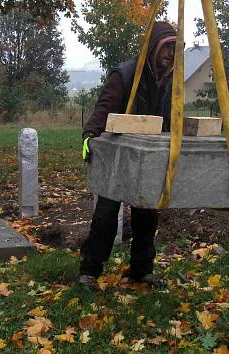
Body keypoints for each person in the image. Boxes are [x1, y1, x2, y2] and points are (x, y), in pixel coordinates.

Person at [79, 21, 177, 289]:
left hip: (147, 154)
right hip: (118, 154)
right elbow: (104, 109)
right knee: (106, 213)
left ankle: (141, 270)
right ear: (154, 46)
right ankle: (89, 270)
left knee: (147, 212)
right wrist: (90, 137)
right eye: (167, 47)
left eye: (174, 49)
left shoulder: (168, 79)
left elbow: (168, 118)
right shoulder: (125, 74)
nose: (170, 54)